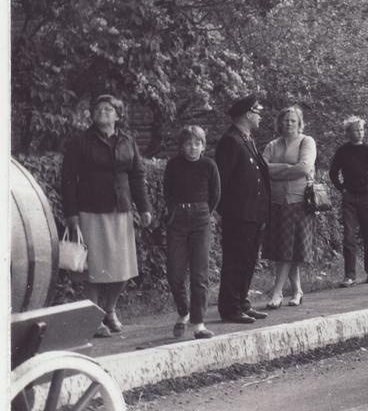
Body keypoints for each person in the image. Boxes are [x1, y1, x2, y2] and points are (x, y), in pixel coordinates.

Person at [61, 94, 154, 338]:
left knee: (123, 267)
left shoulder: (127, 141)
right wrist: (71, 215)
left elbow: (137, 176)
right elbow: (68, 180)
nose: (103, 111)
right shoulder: (80, 142)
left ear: (118, 114)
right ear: (92, 114)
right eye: (98, 108)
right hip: (90, 211)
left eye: (109, 108)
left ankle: (110, 310)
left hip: (121, 210)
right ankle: (94, 320)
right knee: (94, 270)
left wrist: (144, 208)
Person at [215, 94, 271, 324]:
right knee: (235, 259)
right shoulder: (230, 141)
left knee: (248, 259)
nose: (260, 117)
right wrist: (226, 211)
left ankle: (242, 301)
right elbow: (222, 180)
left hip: (253, 212)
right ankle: (230, 307)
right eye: (258, 112)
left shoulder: (246, 139)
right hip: (238, 214)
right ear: (248, 114)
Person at [163, 125, 220, 340]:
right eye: (188, 143)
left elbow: (215, 194)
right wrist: (174, 212)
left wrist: (203, 213)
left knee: (199, 275)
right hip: (177, 220)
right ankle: (183, 311)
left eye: (197, 143)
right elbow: (167, 192)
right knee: (175, 273)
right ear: (181, 146)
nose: (193, 147)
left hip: (201, 219)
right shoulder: (173, 165)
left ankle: (198, 323)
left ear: (203, 146)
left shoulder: (209, 165)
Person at [262, 106, 316, 309]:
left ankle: (277, 293)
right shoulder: (272, 145)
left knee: (287, 250)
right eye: (285, 120)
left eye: (293, 120)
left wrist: (276, 171)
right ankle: (297, 291)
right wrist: (287, 168)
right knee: (285, 248)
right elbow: (261, 168)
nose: (289, 124)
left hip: (299, 201)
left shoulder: (306, 141)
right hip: (276, 201)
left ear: (300, 123)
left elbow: (304, 167)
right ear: (279, 123)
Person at [329, 116, 368, 288]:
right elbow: (333, 172)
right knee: (349, 238)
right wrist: (340, 187)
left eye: (362, 129)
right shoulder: (343, 151)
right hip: (349, 197)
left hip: (367, 197)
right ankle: (349, 275)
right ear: (348, 132)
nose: (360, 133)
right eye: (356, 130)